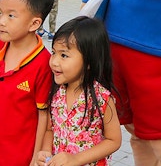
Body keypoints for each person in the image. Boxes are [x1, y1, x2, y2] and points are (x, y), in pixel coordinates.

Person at [36, 16, 122, 166]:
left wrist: (76, 159)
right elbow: (50, 129)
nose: (54, 61)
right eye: (54, 52)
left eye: (64, 55)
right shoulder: (56, 92)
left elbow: (114, 140)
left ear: (89, 61)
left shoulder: (102, 98)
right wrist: (45, 151)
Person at [0, 0, 55, 166]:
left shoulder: (43, 64)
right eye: (0, 13)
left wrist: (35, 156)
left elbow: (44, 115)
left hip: (18, 155)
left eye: (11, 16)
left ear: (34, 23)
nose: (1, 21)